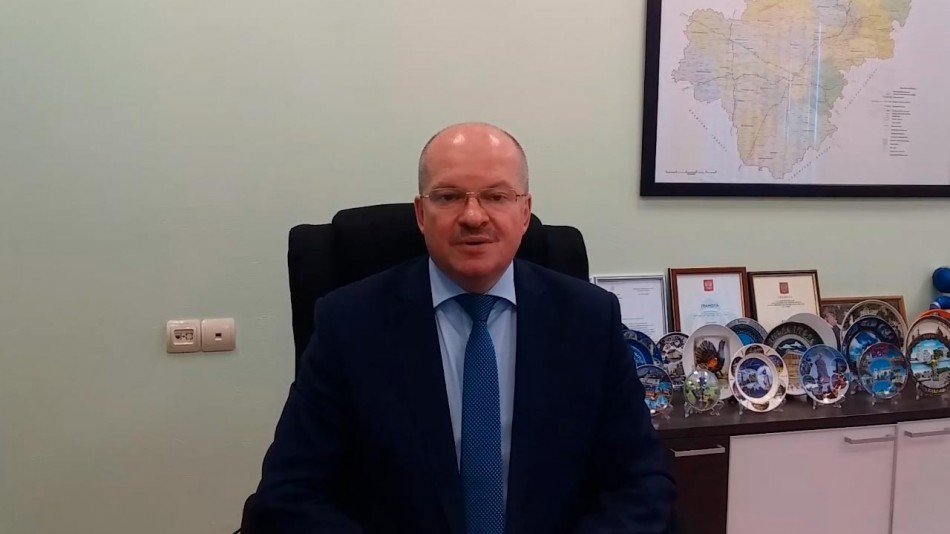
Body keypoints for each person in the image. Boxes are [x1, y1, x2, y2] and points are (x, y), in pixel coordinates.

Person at [240, 122, 676, 533]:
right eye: (448, 197)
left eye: (496, 196)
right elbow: (290, 493)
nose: (473, 216)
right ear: (420, 213)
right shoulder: (348, 323)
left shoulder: (590, 319)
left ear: (525, 212)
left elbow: (641, 482)